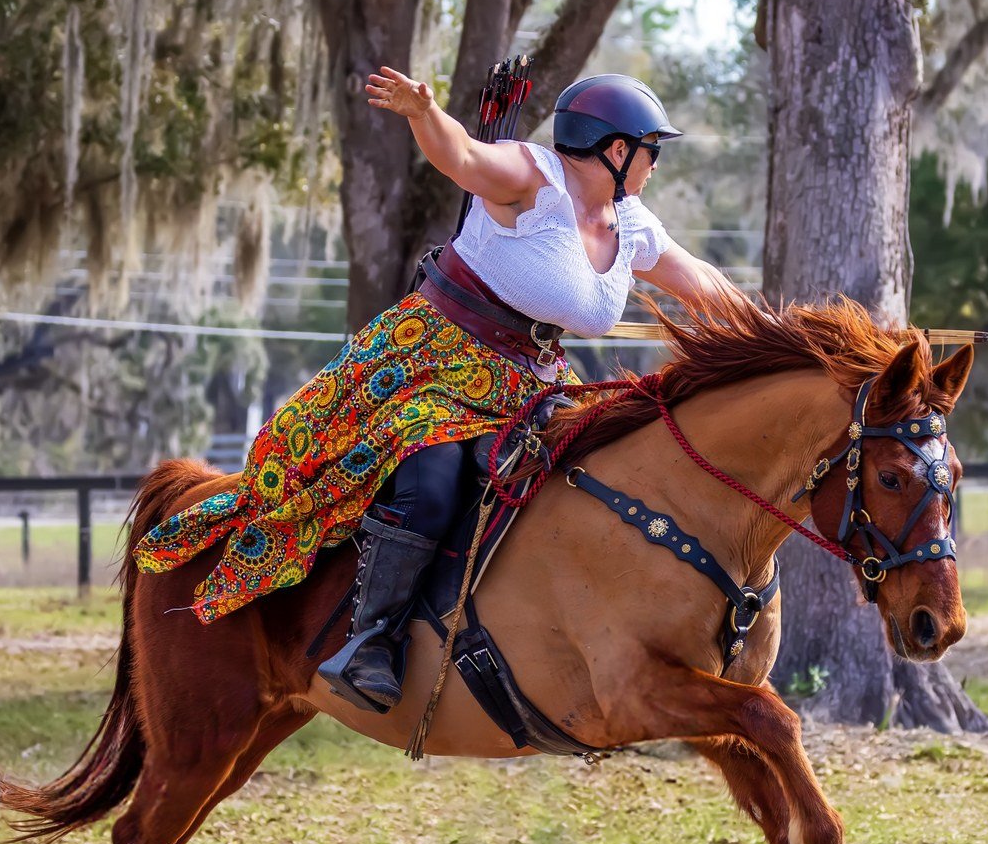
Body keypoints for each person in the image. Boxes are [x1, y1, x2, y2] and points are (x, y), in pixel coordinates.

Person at [134, 69, 745, 713]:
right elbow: (462, 155)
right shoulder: (529, 178)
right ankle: (371, 641)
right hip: (434, 360)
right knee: (433, 470)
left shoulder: (631, 222)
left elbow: (702, 283)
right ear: (617, 150)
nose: (655, 163)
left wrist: (784, 334)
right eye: (652, 148)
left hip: (531, 378)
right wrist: (425, 115)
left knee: (600, 463)